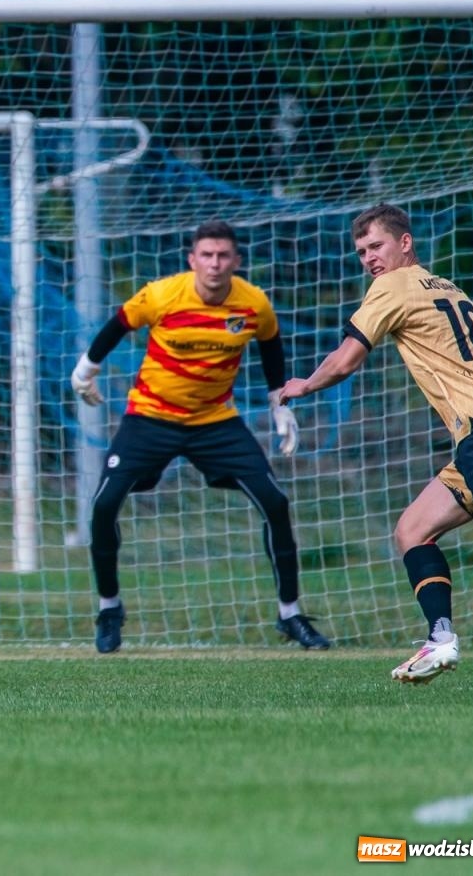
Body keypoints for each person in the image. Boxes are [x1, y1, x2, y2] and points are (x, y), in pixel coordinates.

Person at [280, 204, 473, 683]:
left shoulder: (392, 286)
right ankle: (440, 640)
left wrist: (305, 385)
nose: (368, 259)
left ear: (405, 242)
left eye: (376, 246)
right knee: (412, 530)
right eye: (361, 252)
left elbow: (346, 359)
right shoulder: (448, 289)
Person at [70, 220, 329, 653]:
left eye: (223, 255)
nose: (215, 263)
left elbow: (270, 346)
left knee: (276, 503)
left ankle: (290, 614)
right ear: (192, 260)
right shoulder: (161, 295)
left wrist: (278, 403)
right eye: (206, 255)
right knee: (103, 505)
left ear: (236, 261)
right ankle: (109, 609)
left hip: (215, 421)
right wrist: (86, 369)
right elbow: (119, 323)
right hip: (150, 418)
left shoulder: (253, 303)